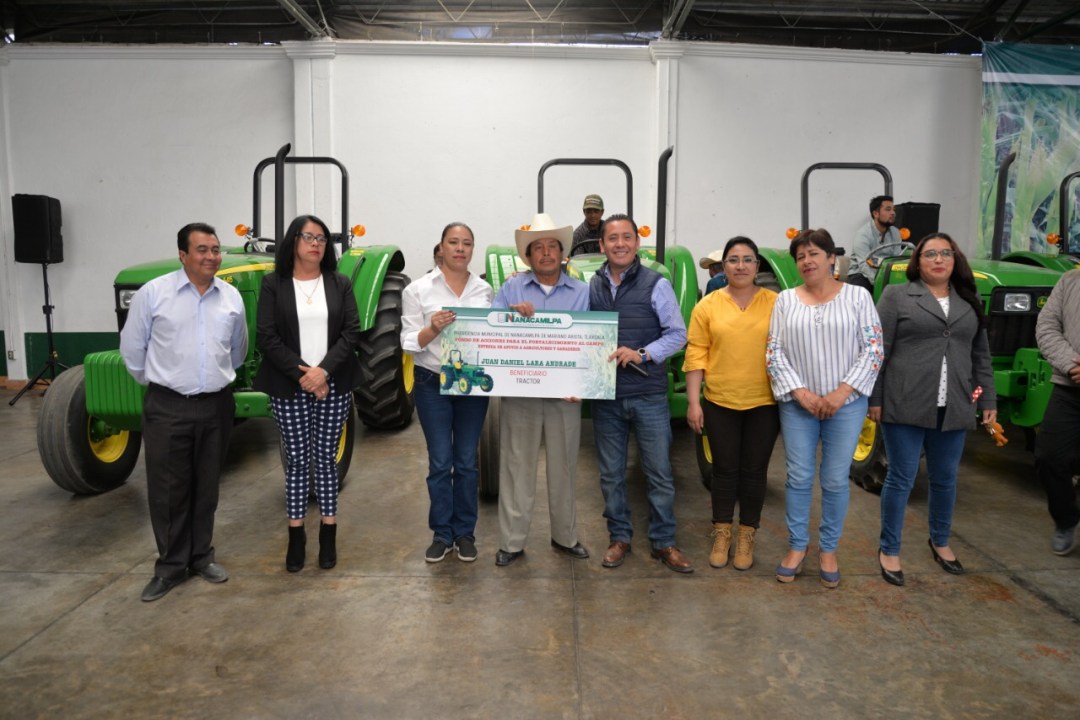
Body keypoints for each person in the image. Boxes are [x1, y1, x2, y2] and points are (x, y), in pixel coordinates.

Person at [120, 222, 248, 602]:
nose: (211, 257)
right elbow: (133, 351)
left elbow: (238, 350)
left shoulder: (231, 297)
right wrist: (164, 384)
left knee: (207, 488)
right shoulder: (153, 294)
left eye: (215, 249)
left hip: (216, 406)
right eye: (202, 250)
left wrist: (211, 381)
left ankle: (201, 557)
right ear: (182, 255)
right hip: (168, 406)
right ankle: (171, 567)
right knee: (168, 491)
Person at [870, 233, 996, 586]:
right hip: (904, 402)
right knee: (901, 478)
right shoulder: (897, 296)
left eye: (946, 253)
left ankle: (940, 541)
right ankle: (889, 549)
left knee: (945, 478)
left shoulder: (969, 301)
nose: (938, 260)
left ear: (955, 260)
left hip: (954, 404)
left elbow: (981, 356)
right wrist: (874, 399)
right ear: (918, 261)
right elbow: (877, 350)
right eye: (930, 254)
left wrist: (988, 400)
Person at [766, 228, 882, 588]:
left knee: (834, 478)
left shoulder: (858, 297)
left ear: (832, 258)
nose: (807, 261)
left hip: (845, 405)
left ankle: (828, 549)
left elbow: (874, 349)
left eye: (814, 253)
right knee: (799, 477)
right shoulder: (785, 300)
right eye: (801, 256)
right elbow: (774, 352)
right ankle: (797, 546)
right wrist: (802, 394)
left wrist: (841, 393)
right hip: (798, 405)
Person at [254, 214, 361, 573]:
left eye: (322, 238)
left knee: (326, 460)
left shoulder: (339, 283)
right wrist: (306, 375)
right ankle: (296, 534)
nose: (316, 244)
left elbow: (351, 331)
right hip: (290, 386)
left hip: (334, 383)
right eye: (308, 237)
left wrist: (323, 371)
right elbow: (267, 336)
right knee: (297, 460)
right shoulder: (274, 284)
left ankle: (328, 532)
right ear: (293, 241)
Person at [589, 213, 691, 573]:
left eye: (626, 237)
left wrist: (642, 354)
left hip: (648, 394)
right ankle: (619, 538)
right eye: (612, 238)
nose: (620, 244)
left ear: (637, 243)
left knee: (659, 472)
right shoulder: (592, 286)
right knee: (610, 474)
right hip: (607, 396)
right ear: (602, 245)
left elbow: (678, 335)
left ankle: (663, 542)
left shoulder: (656, 284)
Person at [491, 213, 591, 567]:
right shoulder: (511, 290)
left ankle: (565, 537)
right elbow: (491, 334)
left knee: (565, 467)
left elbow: (593, 342)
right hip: (521, 394)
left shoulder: (583, 293)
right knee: (516, 466)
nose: (546, 253)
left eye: (552, 246)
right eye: (538, 247)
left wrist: (585, 383)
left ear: (563, 254)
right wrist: (510, 317)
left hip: (566, 396)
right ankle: (511, 542)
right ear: (528, 256)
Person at [684, 237, 779, 571]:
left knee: (755, 472)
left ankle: (747, 534)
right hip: (720, 401)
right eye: (734, 260)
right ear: (723, 266)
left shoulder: (776, 303)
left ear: (757, 266)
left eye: (748, 259)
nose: (741, 266)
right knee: (724, 471)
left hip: (764, 403)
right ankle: (722, 532)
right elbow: (697, 353)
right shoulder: (707, 306)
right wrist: (693, 402)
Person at [402, 222, 493, 563]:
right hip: (432, 382)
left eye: (466, 243)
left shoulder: (484, 291)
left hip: (470, 382)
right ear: (441, 247)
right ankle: (442, 534)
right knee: (441, 462)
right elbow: (408, 342)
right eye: (453, 242)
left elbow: (493, 336)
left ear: (472, 249)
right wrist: (432, 329)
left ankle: (465, 533)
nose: (460, 248)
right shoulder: (418, 290)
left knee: (466, 462)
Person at [1035, 268, 1080, 556]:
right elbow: (1047, 327)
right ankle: (1066, 520)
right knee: (1049, 457)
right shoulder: (1070, 280)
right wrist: (1071, 365)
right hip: (1070, 387)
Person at [847, 195, 901, 291]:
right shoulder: (863, 234)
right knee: (861, 288)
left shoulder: (895, 232)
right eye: (888, 209)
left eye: (894, 210)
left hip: (886, 272)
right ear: (876, 213)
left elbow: (897, 259)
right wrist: (880, 282)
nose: (893, 213)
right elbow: (864, 265)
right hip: (861, 273)